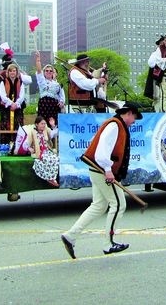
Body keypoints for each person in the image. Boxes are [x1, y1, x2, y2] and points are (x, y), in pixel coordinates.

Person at [61, 102, 143, 259]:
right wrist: (108, 169)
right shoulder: (115, 126)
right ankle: (109, 243)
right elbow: (100, 152)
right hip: (101, 170)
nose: (134, 122)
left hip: (96, 170)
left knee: (99, 205)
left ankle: (70, 236)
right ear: (129, 113)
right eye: (134, 117)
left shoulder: (114, 125)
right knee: (119, 205)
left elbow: (95, 141)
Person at [0, 63, 26, 148]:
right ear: (8, 72)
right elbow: (2, 95)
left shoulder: (20, 82)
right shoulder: (3, 82)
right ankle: (5, 146)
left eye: (14, 71)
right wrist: (10, 103)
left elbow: (22, 95)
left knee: (18, 126)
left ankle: (18, 146)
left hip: (17, 108)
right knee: (6, 125)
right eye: (11, 71)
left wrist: (16, 104)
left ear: (17, 72)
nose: (12, 73)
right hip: (6, 107)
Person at [27, 115, 60, 187]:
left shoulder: (46, 129)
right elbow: (26, 144)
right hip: (38, 152)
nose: (44, 125)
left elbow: (54, 134)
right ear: (36, 124)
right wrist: (29, 149)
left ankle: (52, 178)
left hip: (47, 150)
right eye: (42, 124)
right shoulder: (32, 132)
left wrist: (53, 125)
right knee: (47, 159)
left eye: (45, 124)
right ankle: (50, 178)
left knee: (56, 158)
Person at [34, 52, 65, 125]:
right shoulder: (42, 81)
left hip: (53, 106)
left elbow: (61, 96)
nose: (49, 72)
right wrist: (38, 59)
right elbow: (39, 70)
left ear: (53, 73)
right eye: (46, 71)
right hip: (43, 105)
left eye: (51, 71)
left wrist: (61, 102)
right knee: (42, 124)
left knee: (53, 124)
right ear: (44, 72)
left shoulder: (57, 84)